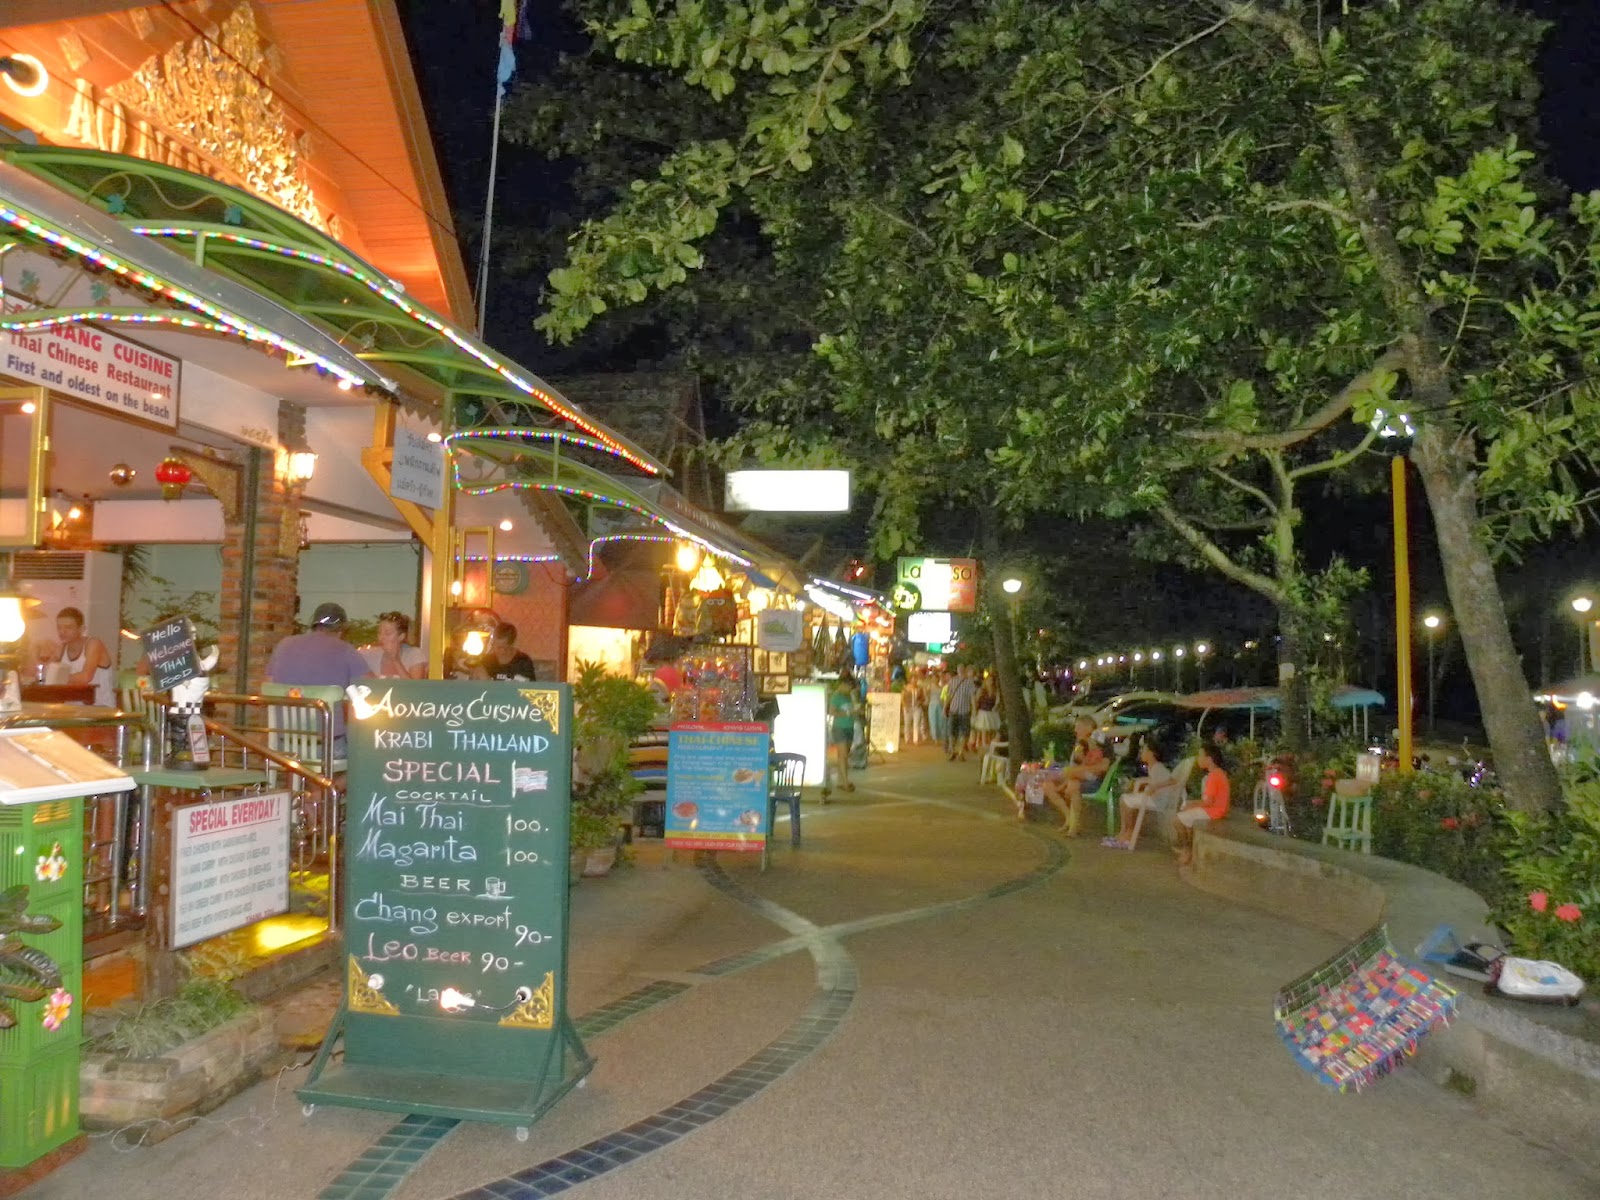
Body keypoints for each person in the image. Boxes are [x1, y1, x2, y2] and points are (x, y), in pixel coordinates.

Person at [266, 602, 372, 757]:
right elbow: (373, 686)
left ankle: (304, 774)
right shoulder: (345, 649)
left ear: (314, 624)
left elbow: (268, 684)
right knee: (366, 752)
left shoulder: (284, 644)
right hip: (328, 747)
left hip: (284, 745)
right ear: (341, 630)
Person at [1039, 715, 1108, 835]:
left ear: (1089, 728)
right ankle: (1068, 818)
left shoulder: (1101, 741)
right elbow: (1076, 762)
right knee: (1047, 785)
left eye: (1078, 727)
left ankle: (1074, 826)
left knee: (1072, 784)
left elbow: (1102, 767)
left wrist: (1077, 769)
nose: (1075, 730)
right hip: (1075, 775)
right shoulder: (1080, 742)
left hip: (1091, 779)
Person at [36, 607, 114, 707]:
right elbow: (45, 675)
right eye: (59, 627)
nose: (62, 631)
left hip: (100, 708)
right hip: (72, 709)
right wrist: (37, 652)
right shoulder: (61, 648)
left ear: (81, 629)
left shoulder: (93, 644)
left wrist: (57, 678)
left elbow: (86, 677)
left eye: (68, 627)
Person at [1106, 735, 1173, 848]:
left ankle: (1128, 832)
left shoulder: (1158, 767)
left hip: (1158, 800)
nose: (1141, 752)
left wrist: (1155, 786)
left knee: (1126, 801)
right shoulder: (1152, 767)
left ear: (1152, 753)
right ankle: (1124, 831)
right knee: (1125, 799)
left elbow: (1172, 781)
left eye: (1144, 750)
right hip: (1155, 798)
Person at [1173, 743, 1231, 866]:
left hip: (1214, 812)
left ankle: (1186, 849)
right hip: (1215, 810)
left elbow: (1208, 802)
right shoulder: (1217, 773)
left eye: (1200, 755)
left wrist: (1191, 805)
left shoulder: (1214, 775)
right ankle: (1188, 849)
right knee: (1186, 817)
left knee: (1177, 820)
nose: (1198, 759)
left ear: (1209, 759)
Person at [822, 669, 861, 798]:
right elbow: (832, 712)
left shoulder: (849, 696)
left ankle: (841, 780)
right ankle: (845, 782)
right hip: (839, 728)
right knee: (843, 755)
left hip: (849, 727)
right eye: (849, 687)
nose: (850, 689)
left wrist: (856, 710)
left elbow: (854, 707)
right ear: (843, 684)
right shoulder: (836, 696)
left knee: (844, 755)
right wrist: (848, 713)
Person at [363, 611, 426, 679]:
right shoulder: (371, 656)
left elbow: (415, 685)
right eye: (379, 633)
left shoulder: (414, 655)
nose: (381, 637)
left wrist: (396, 660)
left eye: (387, 633)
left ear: (401, 636)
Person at [945, 665, 979, 761]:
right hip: (954, 710)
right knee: (952, 731)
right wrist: (945, 707)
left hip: (964, 710)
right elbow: (948, 695)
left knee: (964, 732)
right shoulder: (952, 681)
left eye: (961, 669)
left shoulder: (969, 682)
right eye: (959, 669)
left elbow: (972, 696)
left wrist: (974, 709)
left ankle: (960, 752)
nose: (960, 670)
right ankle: (953, 751)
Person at [971, 677, 1001, 754]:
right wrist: (975, 710)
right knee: (984, 729)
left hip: (991, 712)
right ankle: (984, 745)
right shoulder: (982, 690)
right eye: (989, 680)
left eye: (992, 680)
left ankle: (990, 746)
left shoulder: (995, 691)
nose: (990, 682)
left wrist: (995, 707)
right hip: (983, 711)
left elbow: (998, 701)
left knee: (991, 730)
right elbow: (976, 700)